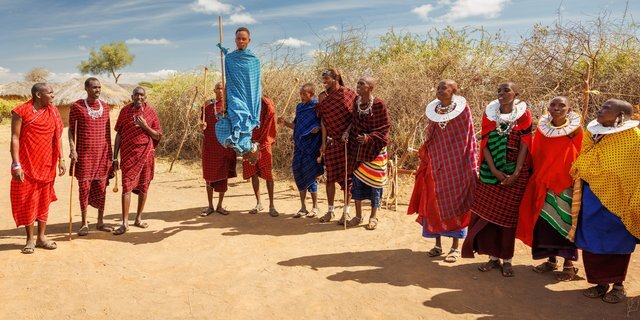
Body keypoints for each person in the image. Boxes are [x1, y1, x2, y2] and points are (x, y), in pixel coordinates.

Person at [571, 99, 640, 304]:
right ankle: (600, 283)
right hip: (592, 195)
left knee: (617, 243)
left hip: (621, 199)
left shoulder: (635, 138)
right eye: (601, 107)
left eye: (606, 109)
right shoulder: (593, 133)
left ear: (620, 115)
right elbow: (584, 159)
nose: (600, 111)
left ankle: (618, 285)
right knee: (592, 240)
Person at [461, 82, 533, 277]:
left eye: (506, 90)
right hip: (489, 174)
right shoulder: (490, 114)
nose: (502, 93)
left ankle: (507, 259)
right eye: (499, 90)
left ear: (516, 93)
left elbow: (525, 144)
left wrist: (516, 173)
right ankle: (493, 258)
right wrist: (493, 170)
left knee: (508, 220)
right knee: (487, 217)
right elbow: (484, 142)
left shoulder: (524, 115)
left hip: (516, 174)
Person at [407, 80, 477, 262]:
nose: (439, 90)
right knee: (433, 204)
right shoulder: (434, 111)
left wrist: (464, 163)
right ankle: (437, 245)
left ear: (454, 90)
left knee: (456, 204)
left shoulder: (463, 110)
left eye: (444, 88)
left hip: (457, 165)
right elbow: (431, 136)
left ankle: (454, 247)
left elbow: (466, 138)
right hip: (435, 163)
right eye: (438, 87)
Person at [516, 96, 583, 280]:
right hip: (543, 182)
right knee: (544, 223)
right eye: (553, 105)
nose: (556, 108)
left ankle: (568, 265)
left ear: (569, 109)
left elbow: (581, 154)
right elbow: (537, 152)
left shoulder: (575, 130)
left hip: (565, 184)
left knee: (564, 224)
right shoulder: (542, 129)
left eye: (562, 105)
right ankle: (551, 260)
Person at [10, 83, 65, 254]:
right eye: (50, 93)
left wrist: (61, 159)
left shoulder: (54, 112)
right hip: (26, 165)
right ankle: (30, 240)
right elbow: (15, 138)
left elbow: (58, 137)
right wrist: (16, 164)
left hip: (47, 164)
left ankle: (42, 238)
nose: (53, 96)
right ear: (38, 95)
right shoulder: (21, 111)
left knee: (43, 200)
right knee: (28, 200)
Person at [112, 87, 162, 235]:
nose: (139, 97)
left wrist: (145, 126)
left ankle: (138, 218)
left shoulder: (150, 113)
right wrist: (115, 156)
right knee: (126, 186)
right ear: (132, 96)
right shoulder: (125, 112)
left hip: (146, 154)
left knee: (144, 186)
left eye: (142, 95)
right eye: (136, 95)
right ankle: (124, 222)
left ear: (145, 97)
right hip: (128, 155)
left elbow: (157, 136)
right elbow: (119, 135)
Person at [68, 77, 114, 236]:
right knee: (84, 189)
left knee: (102, 189)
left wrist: (112, 156)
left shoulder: (106, 107)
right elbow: (70, 130)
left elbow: (108, 132)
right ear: (86, 89)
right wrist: (72, 148)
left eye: (99, 87)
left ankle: (100, 222)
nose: (97, 90)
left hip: (102, 156)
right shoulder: (77, 106)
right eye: (94, 87)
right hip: (85, 156)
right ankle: (84, 223)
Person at [343, 77, 390, 229]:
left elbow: (384, 127)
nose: (358, 86)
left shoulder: (378, 104)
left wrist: (368, 137)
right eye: (358, 83)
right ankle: (358, 215)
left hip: (374, 150)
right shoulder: (356, 103)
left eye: (362, 84)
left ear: (369, 88)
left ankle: (373, 217)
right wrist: (346, 132)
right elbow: (354, 122)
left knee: (375, 184)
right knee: (356, 182)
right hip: (358, 149)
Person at [315, 68, 357, 224]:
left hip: (347, 143)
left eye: (326, 78)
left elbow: (355, 117)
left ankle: (346, 212)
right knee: (330, 179)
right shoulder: (322, 97)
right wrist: (324, 143)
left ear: (336, 78)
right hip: (331, 143)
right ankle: (330, 211)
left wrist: (347, 131)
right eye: (323, 78)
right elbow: (323, 122)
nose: (324, 80)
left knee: (348, 179)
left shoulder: (348, 94)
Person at [278, 83, 323, 218]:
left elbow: (324, 124)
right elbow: (297, 126)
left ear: (312, 94)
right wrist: (284, 123)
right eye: (301, 93)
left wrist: (318, 129)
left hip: (312, 147)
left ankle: (315, 207)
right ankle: (303, 207)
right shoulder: (299, 107)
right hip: (300, 147)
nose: (302, 96)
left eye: (305, 94)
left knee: (312, 175)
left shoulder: (316, 107)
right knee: (299, 173)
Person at [215, 27, 262, 158]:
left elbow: (255, 85)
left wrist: (255, 103)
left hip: (249, 100)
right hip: (234, 97)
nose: (241, 41)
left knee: (244, 128)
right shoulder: (229, 59)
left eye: (244, 39)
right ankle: (248, 147)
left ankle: (249, 147)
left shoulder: (254, 61)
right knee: (228, 126)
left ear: (249, 40)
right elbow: (228, 80)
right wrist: (225, 102)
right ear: (235, 40)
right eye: (238, 38)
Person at [200, 82, 237, 216]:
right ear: (214, 90)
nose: (220, 91)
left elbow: (236, 124)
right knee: (208, 177)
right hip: (209, 146)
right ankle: (210, 206)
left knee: (223, 177)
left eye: (223, 89)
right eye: (218, 88)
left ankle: (220, 205)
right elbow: (202, 123)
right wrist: (202, 125)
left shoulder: (230, 106)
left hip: (223, 146)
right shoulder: (208, 107)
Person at [243, 96, 278, 217]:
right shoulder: (246, 102)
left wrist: (260, 142)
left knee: (268, 174)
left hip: (264, 143)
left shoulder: (266, 103)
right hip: (249, 141)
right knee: (253, 173)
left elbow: (270, 119)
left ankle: (272, 205)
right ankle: (259, 203)